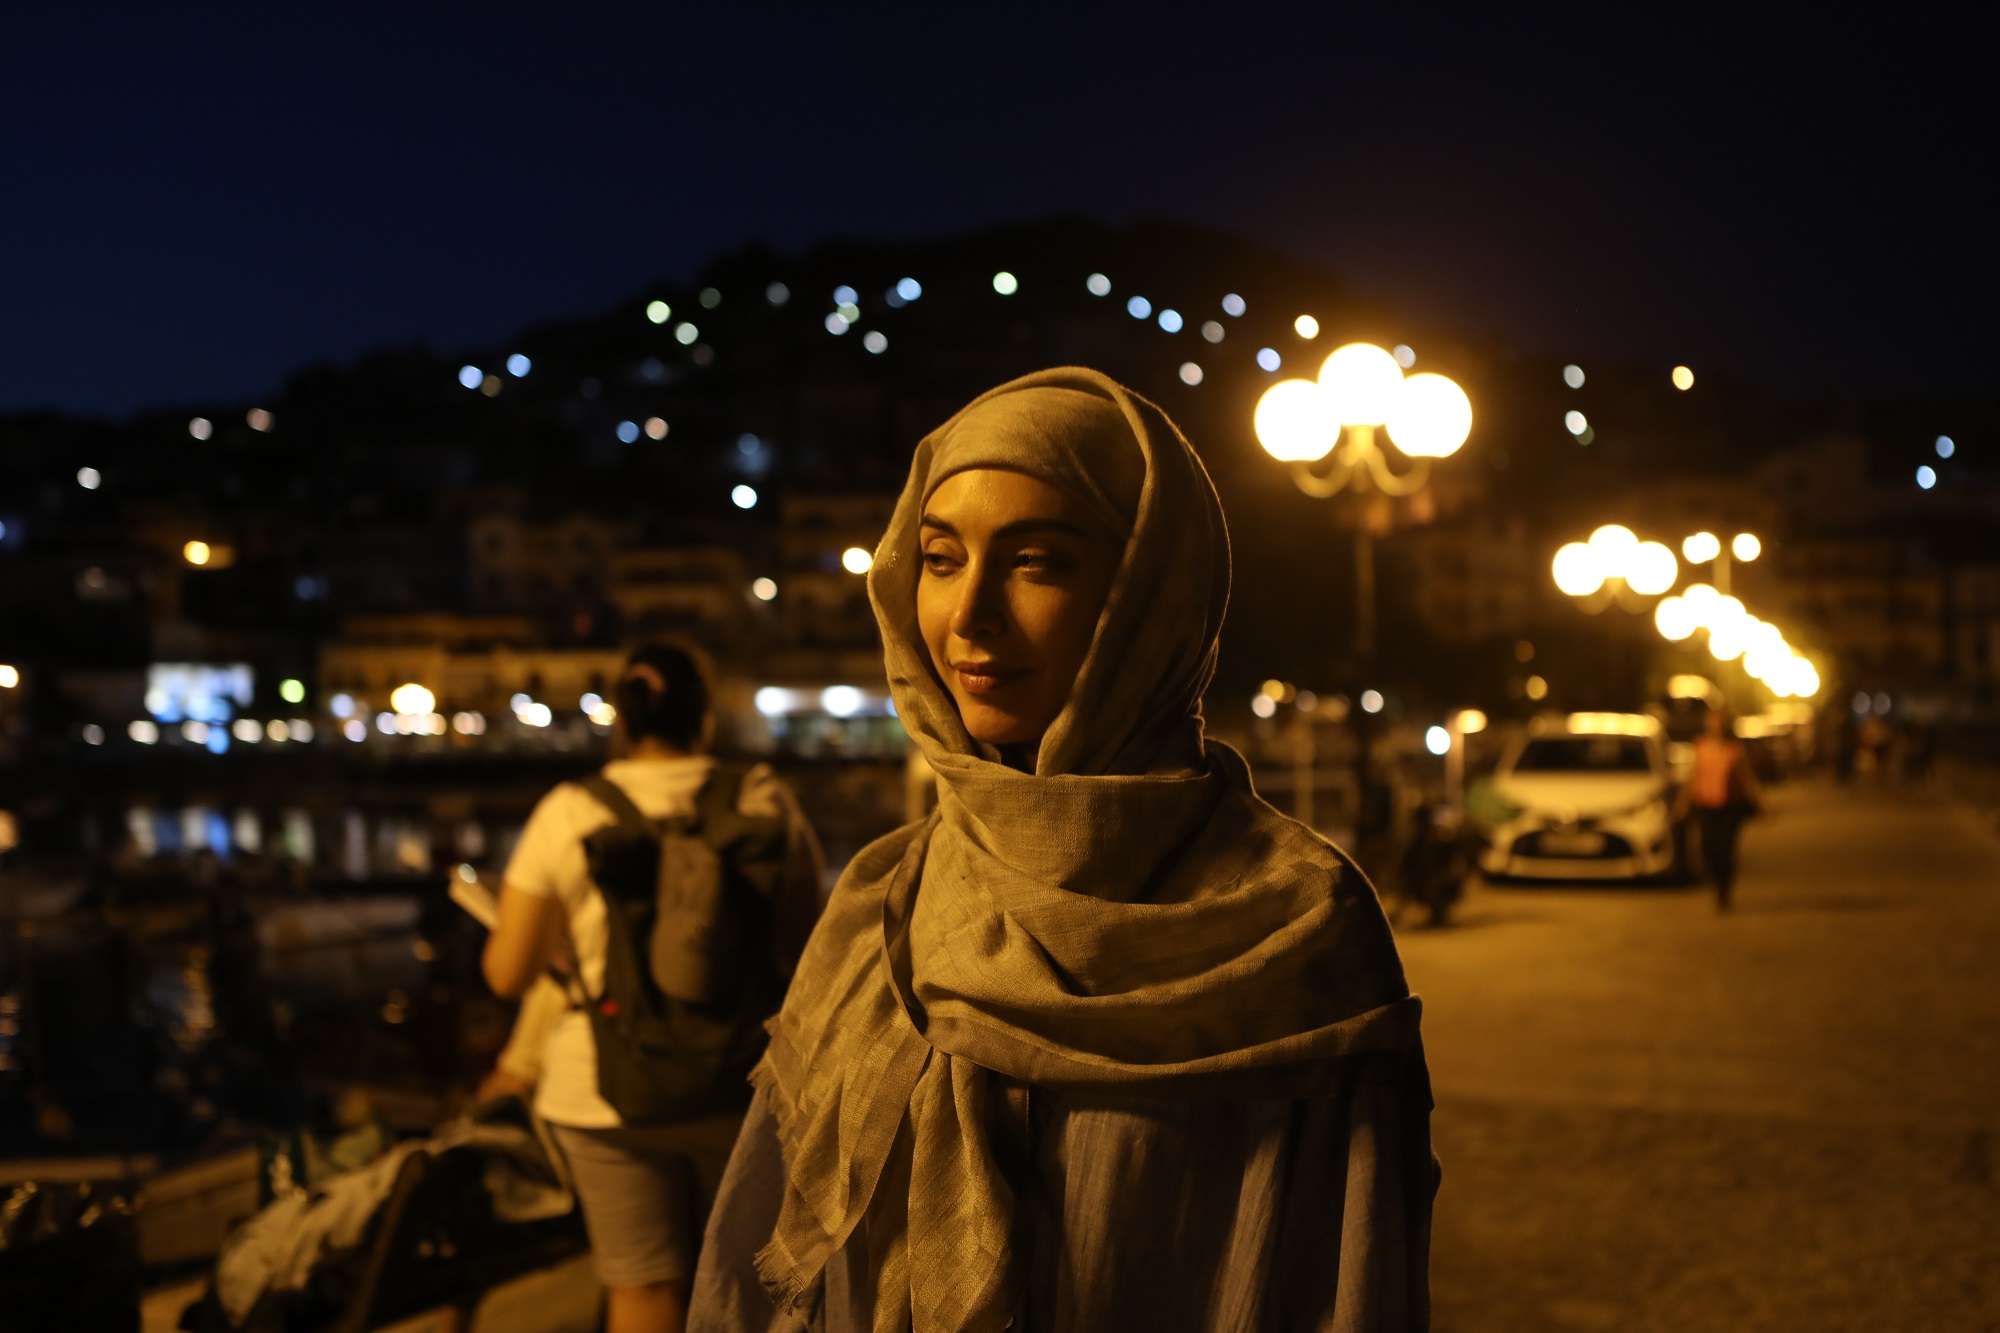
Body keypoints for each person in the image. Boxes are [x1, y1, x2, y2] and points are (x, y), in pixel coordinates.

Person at [689, 368, 1437, 1332]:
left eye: (1036, 562)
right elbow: (757, 1264)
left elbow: (1352, 1283)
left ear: (1149, 595)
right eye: (941, 557)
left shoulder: (1296, 927)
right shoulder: (885, 901)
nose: (969, 614)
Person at [483, 642, 825, 1333]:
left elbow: (507, 974)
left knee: (642, 1289)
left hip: (601, 1094)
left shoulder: (569, 811)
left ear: (623, 719)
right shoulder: (762, 795)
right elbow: (809, 950)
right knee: (748, 1283)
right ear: (705, 716)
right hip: (740, 1081)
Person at [1676, 706, 1763, 911]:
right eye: (1712, 722)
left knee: (1725, 848)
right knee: (1708, 848)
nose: (1715, 727)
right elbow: (1693, 776)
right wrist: (1683, 803)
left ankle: (1724, 889)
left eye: (1719, 723)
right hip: (1705, 805)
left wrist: (1759, 802)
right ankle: (1716, 880)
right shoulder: (1700, 747)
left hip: (1730, 807)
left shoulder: (1734, 750)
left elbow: (1747, 778)